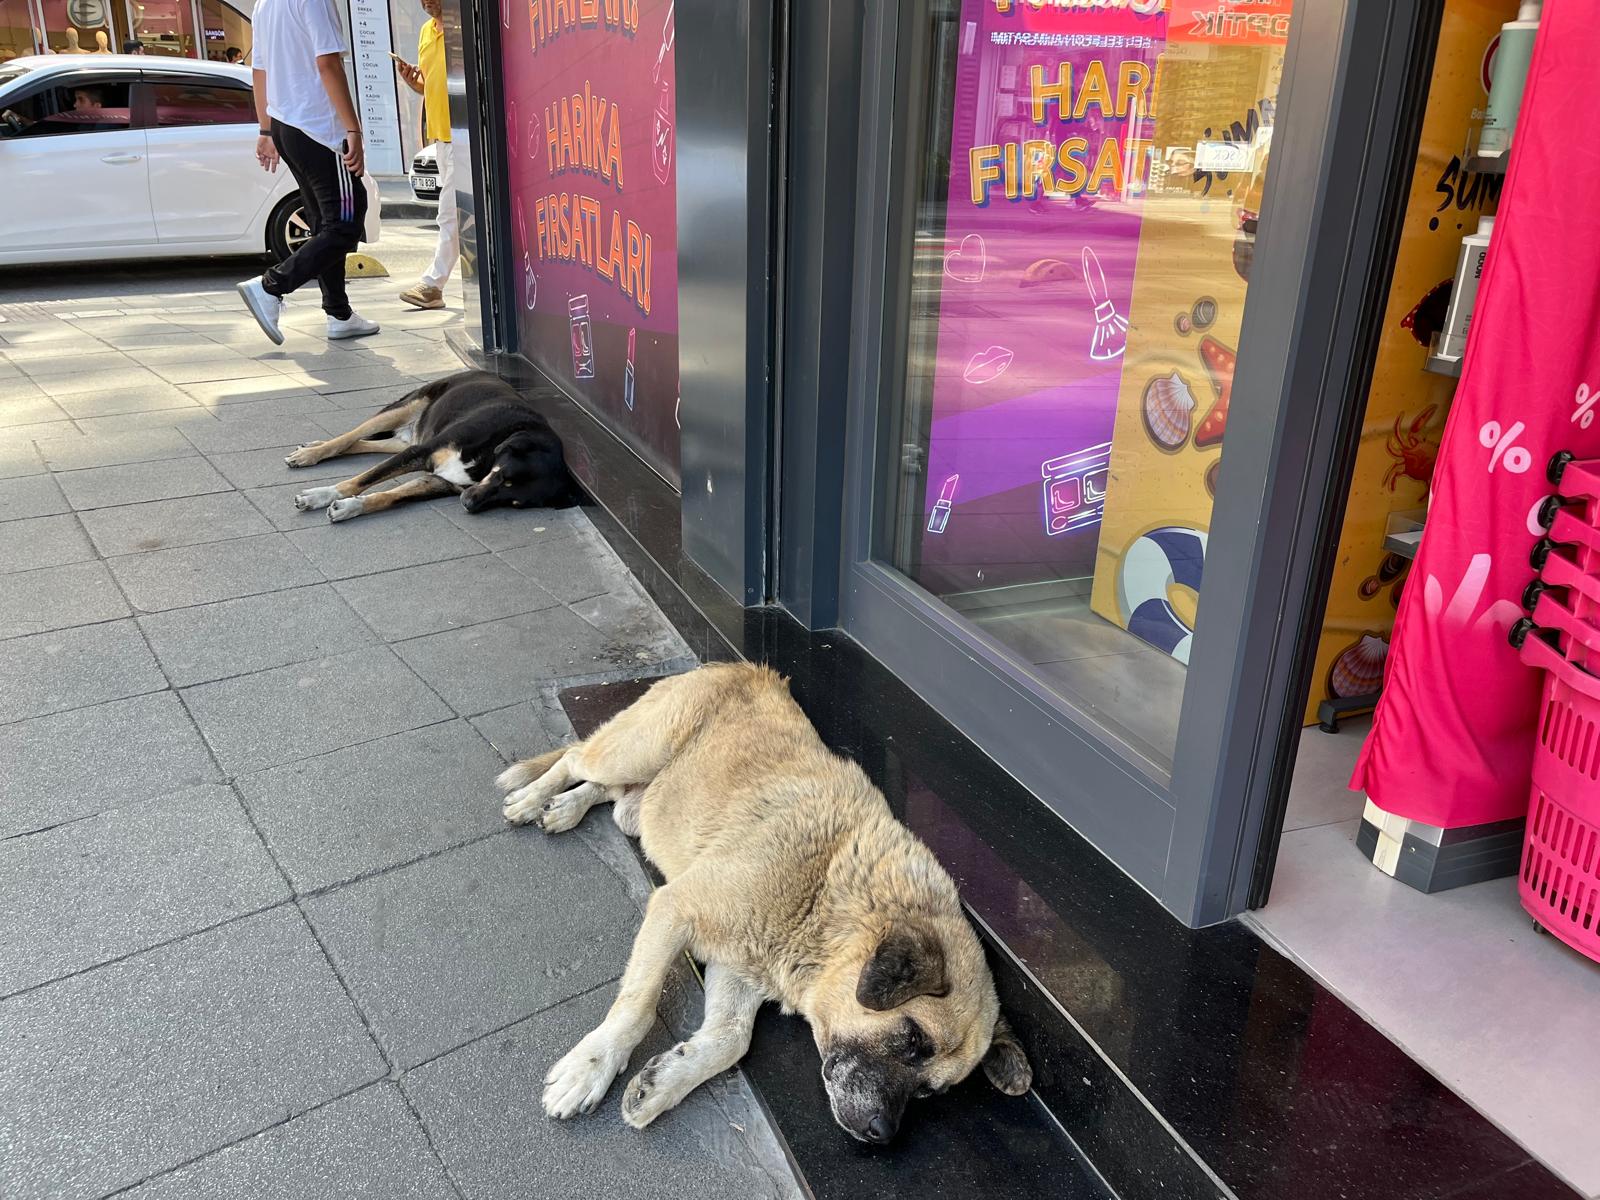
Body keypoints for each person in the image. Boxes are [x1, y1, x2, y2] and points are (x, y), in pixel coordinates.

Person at [237, 0, 378, 346]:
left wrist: (267, 130)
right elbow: (328, 63)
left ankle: (339, 314)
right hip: (319, 130)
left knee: (325, 224)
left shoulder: (265, 4)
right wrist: (353, 129)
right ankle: (271, 286)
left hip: (287, 126)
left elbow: (260, 71)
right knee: (345, 224)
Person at [391, 0, 455, 310]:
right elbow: (428, 85)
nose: (427, 2)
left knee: (450, 212)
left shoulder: (462, 28)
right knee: (460, 215)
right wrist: (412, 81)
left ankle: (432, 285)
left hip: (465, 136)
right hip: (440, 137)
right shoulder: (425, 32)